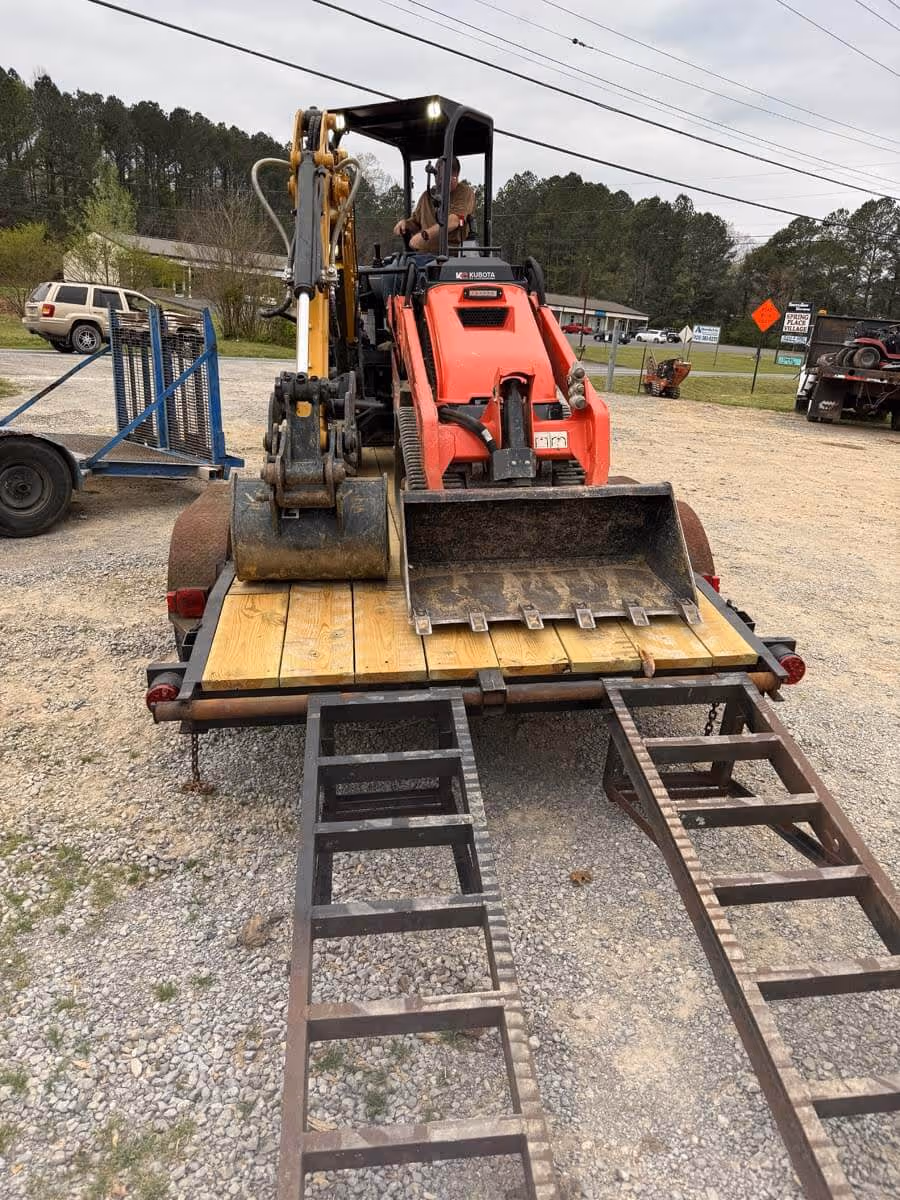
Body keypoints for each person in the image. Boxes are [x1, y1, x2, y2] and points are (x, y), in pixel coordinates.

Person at [393, 157, 476, 252]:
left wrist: (425, 235)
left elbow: (454, 221)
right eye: (436, 177)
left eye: (442, 178)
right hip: (422, 255)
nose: (438, 181)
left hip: (450, 256)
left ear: (455, 176)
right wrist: (405, 224)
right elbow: (415, 222)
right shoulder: (427, 196)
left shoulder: (464, 192)